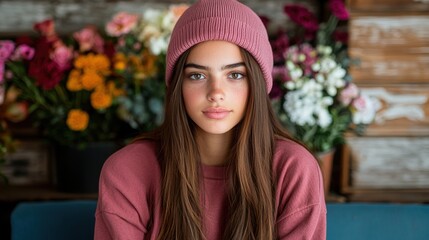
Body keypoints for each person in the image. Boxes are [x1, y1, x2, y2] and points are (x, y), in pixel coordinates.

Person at [94, 0, 326, 239]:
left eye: (235, 75)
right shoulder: (128, 171)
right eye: (197, 75)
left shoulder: (294, 170)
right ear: (178, 86)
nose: (216, 92)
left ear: (256, 83)